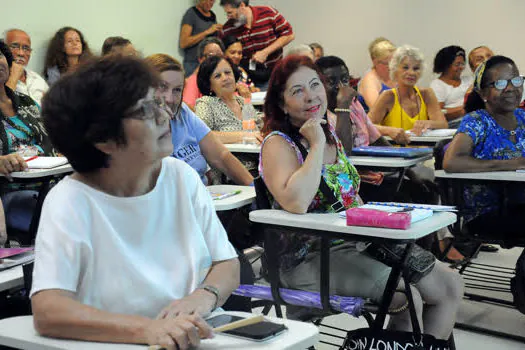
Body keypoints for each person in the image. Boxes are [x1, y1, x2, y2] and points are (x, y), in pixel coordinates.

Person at [30, 56, 240, 349]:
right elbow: (49, 311)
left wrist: (203, 296)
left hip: (191, 339)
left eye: (159, 102)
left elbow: (227, 263)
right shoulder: (70, 201)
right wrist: (148, 330)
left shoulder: (181, 178)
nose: (164, 114)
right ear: (103, 139)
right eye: (146, 109)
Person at [260, 55, 463, 340]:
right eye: (297, 91)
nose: (310, 96)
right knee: (407, 297)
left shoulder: (328, 130)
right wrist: (316, 144)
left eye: (314, 85)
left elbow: (351, 196)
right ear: (281, 103)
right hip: (310, 257)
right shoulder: (279, 143)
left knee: (451, 285)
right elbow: (297, 202)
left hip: (359, 241)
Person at [444, 55, 525, 255]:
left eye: (515, 80)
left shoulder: (523, 118)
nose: (510, 88)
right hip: (486, 213)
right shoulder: (477, 122)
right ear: (483, 93)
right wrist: (515, 163)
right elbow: (451, 162)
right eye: (499, 83)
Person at [145, 53, 252, 186]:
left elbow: (221, 156)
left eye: (177, 90)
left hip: (204, 197)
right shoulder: (136, 126)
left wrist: (255, 188)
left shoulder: (183, 112)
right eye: (162, 87)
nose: (170, 98)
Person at [0, 40, 56, 246]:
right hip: (12, 190)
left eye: (0, 55)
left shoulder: (26, 101)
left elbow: (51, 138)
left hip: (51, 181)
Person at [196, 56, 261, 180]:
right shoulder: (206, 103)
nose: (225, 78)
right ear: (209, 85)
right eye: (217, 76)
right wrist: (244, 136)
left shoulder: (242, 101)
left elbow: (258, 127)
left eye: (227, 72)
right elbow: (202, 136)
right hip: (230, 172)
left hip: (258, 163)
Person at [368, 45, 448, 145]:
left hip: (425, 156)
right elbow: (366, 126)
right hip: (395, 155)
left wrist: (427, 123)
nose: (411, 73)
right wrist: (388, 131)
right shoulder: (388, 96)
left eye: (416, 68)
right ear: (395, 69)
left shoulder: (427, 94)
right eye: (405, 68)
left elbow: (443, 124)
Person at [220, 0, 294, 90]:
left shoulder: (268, 13)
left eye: (230, 13)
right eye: (226, 13)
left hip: (277, 73)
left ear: (242, 6)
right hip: (251, 79)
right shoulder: (228, 29)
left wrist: (265, 52)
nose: (228, 17)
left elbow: (289, 35)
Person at [430, 46, 472, 126]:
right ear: (445, 66)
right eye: (457, 64)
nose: (461, 68)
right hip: (455, 124)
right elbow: (437, 114)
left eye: (462, 64)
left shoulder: (469, 80)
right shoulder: (437, 85)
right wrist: (464, 110)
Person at [3, 29, 48, 105]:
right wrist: (13, 78)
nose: (21, 53)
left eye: (26, 48)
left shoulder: (36, 78)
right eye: (14, 46)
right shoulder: (2, 78)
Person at [180, 0, 222, 76]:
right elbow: (183, 43)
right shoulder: (191, 14)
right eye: (206, 0)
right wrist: (207, 32)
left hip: (209, 63)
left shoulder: (212, 15)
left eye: (212, 1)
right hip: (193, 63)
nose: (209, 3)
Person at [182, 37, 224, 109]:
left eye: (219, 55)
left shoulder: (226, 78)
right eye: (210, 56)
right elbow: (188, 110)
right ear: (200, 59)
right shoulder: (194, 81)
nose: (215, 60)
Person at [357, 37, 396, 112]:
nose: (391, 66)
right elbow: (377, 111)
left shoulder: (395, 74)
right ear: (374, 61)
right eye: (386, 63)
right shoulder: (370, 81)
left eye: (394, 62)